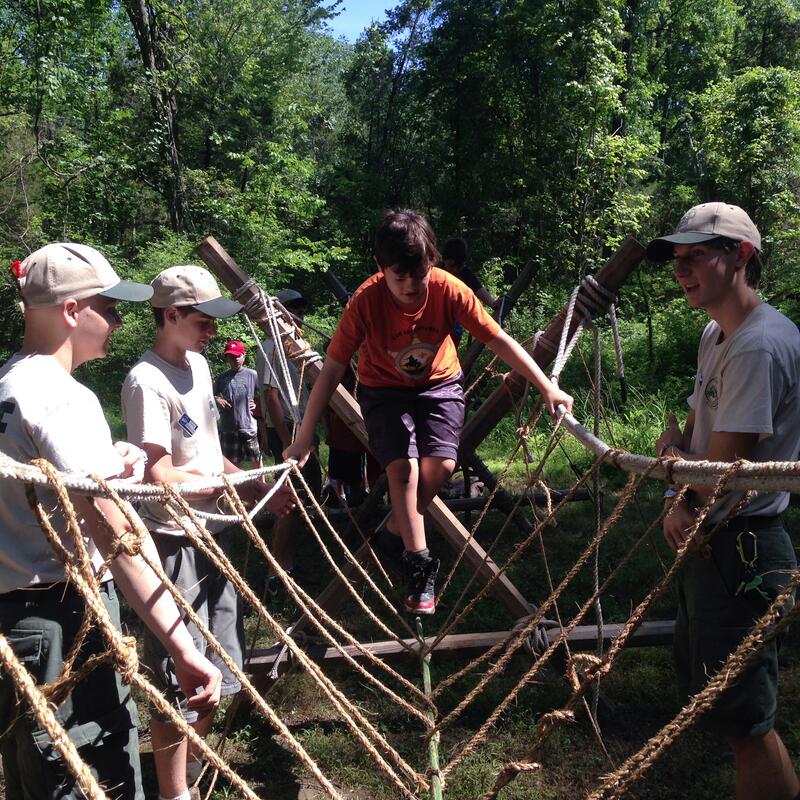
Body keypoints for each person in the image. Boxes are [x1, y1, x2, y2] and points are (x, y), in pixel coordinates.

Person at [0, 243, 222, 800]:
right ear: (73, 311)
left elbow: (49, 488)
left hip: (14, 621)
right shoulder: (63, 399)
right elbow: (116, 537)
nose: (121, 322)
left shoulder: (9, 383)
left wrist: (111, 465)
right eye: (111, 307)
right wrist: (185, 649)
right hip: (64, 621)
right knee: (91, 777)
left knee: (32, 775)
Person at [285, 210, 573, 614]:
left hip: (439, 384)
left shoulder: (448, 289)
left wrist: (546, 386)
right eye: (397, 277)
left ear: (432, 263)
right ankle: (419, 565)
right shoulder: (365, 302)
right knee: (402, 469)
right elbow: (332, 370)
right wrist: (303, 437)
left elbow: (498, 339)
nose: (409, 286)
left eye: (417, 276)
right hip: (383, 390)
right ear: (379, 267)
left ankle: (393, 529)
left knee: (441, 466)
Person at [121, 265, 294, 800]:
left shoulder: (196, 366)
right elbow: (159, 477)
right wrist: (221, 486)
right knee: (180, 675)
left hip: (210, 533)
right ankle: (175, 792)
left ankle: (189, 771)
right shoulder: (145, 382)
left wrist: (250, 486)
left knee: (222, 663)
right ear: (170, 315)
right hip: (172, 544)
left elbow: (209, 455)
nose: (212, 334)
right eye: (202, 321)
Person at [648, 202, 800, 800]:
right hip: (714, 541)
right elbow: (687, 436)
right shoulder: (718, 332)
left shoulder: (759, 346)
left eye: (696, 256)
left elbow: (715, 466)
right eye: (677, 260)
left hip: (744, 550)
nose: (682, 270)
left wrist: (677, 485)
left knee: (744, 723)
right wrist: (673, 485)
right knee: (733, 713)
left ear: (740, 256)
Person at [256, 289, 321, 598]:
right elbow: (270, 395)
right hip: (291, 433)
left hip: (303, 429)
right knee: (289, 500)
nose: (299, 316)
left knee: (302, 502)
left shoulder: (293, 347)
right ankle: (274, 573)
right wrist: (286, 439)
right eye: (292, 310)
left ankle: (289, 563)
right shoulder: (272, 346)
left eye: (300, 309)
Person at [441, 237, 501, 346]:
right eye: (451, 265)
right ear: (444, 259)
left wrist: (493, 304)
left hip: (454, 327)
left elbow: (479, 290)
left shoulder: (465, 274)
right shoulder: (435, 271)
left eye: (458, 267)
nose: (454, 270)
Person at [214, 339, 261, 468]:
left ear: (243, 355)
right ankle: (236, 488)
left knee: (256, 461)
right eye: (231, 356)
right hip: (228, 427)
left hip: (248, 425)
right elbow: (210, 396)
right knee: (232, 464)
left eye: (238, 356)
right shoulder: (222, 377)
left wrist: (257, 404)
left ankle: (262, 486)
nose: (235, 359)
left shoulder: (252, 375)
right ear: (227, 358)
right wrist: (217, 400)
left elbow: (263, 394)